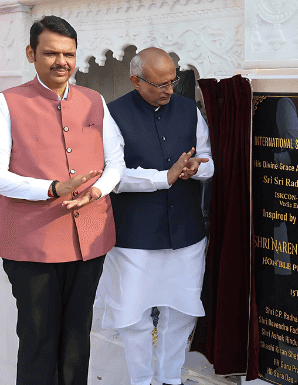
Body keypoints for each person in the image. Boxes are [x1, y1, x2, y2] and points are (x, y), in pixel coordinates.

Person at [0, 15, 125, 385]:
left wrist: (97, 191)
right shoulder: (8, 102)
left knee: (78, 338)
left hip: (89, 238)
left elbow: (116, 161)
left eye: (69, 54)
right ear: (31, 54)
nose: (62, 62)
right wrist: (51, 188)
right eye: (51, 53)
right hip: (33, 244)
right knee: (38, 339)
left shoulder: (94, 100)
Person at [98, 47, 214, 385]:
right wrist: (162, 178)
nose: (168, 90)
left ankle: (170, 378)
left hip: (186, 231)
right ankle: (141, 380)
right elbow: (112, 175)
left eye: (172, 82)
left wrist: (197, 168)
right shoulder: (112, 114)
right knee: (133, 316)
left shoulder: (189, 109)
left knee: (180, 311)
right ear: (136, 80)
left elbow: (207, 157)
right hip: (134, 236)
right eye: (159, 84)